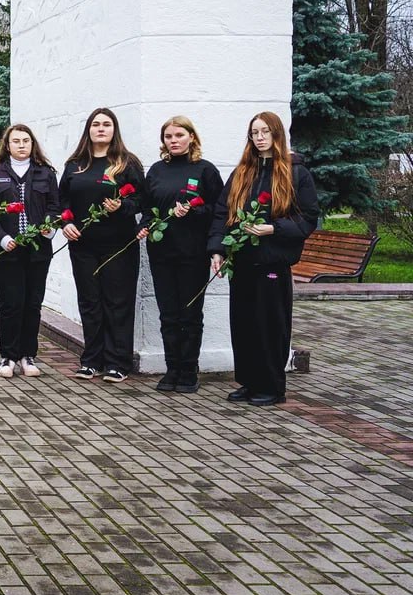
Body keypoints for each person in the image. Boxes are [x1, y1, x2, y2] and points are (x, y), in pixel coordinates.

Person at [208, 112, 319, 406]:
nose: (259, 137)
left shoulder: (295, 173)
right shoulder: (243, 172)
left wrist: (274, 228)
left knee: (270, 326)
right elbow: (222, 212)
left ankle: (271, 386)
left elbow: (308, 219)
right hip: (242, 261)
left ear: (277, 135)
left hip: (272, 262)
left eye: (265, 132)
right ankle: (249, 381)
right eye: (254, 132)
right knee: (243, 324)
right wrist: (218, 250)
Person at [59, 107, 145, 384]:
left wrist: (122, 206)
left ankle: (118, 362)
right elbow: (62, 202)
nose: (101, 129)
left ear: (114, 129)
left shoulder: (127, 163)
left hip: (119, 245)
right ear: (89, 129)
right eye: (96, 124)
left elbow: (142, 202)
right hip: (83, 246)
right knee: (90, 302)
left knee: (117, 302)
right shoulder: (75, 164)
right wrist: (66, 223)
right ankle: (91, 360)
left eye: (106, 124)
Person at [140, 117, 222, 393]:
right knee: (168, 314)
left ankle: (189, 370)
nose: (173, 140)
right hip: (162, 253)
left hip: (193, 254)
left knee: (190, 314)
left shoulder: (205, 170)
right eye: (168, 136)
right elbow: (147, 208)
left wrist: (195, 211)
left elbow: (219, 210)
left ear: (191, 137)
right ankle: (171, 368)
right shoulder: (156, 171)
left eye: (179, 135)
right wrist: (144, 227)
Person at [0, 124, 61, 379]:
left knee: (32, 303)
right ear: (7, 145)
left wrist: (49, 228)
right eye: (15, 141)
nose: (21, 145)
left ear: (32, 144)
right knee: (10, 304)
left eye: (25, 140)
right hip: (7, 250)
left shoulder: (45, 173)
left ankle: (28, 356)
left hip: (38, 251)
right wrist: (2, 238)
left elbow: (54, 206)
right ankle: (8, 356)